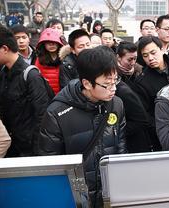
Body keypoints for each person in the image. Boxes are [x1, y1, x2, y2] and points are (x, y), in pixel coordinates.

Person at [38, 46, 127, 207]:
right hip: (76, 196)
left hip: (110, 192)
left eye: (116, 81)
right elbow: (50, 164)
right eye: (107, 84)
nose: (114, 88)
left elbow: (120, 146)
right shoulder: (57, 113)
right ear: (86, 83)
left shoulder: (116, 104)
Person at [0, 25, 51, 157]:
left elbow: (42, 116)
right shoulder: (3, 73)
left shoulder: (31, 76)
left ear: (5, 49)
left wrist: (36, 152)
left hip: (29, 150)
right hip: (12, 146)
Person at [135, 36, 169, 151]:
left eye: (153, 52)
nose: (150, 58)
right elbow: (146, 114)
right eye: (145, 56)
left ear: (162, 49)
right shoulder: (142, 81)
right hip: (164, 133)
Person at [35, 28, 64, 94]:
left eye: (54, 42)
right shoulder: (39, 59)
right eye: (48, 42)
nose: (51, 45)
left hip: (63, 93)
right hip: (46, 93)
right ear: (43, 44)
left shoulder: (64, 58)